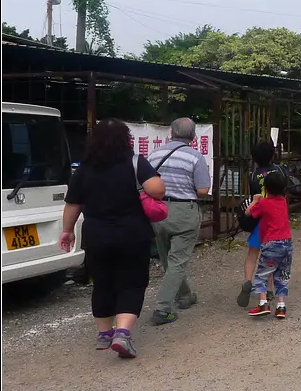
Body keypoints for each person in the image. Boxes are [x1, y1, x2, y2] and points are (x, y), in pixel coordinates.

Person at [60, 118, 166, 358]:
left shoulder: (84, 169)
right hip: (132, 234)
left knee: (102, 283)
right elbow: (158, 190)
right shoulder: (135, 163)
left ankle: (105, 334)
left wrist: (66, 232)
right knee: (132, 282)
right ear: (125, 139)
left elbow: (72, 205)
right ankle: (123, 334)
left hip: (97, 236)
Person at [147, 117, 211, 326]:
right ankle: (162, 309)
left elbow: (145, 183)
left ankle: (184, 297)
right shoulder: (195, 157)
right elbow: (202, 191)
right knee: (177, 262)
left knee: (168, 260)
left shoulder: (154, 154)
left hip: (158, 211)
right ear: (193, 137)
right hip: (184, 212)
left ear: (171, 133)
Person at [237, 140, 282, 308]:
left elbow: (254, 196)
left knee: (252, 254)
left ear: (254, 158)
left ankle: (248, 281)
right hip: (274, 220)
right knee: (270, 256)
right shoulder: (279, 171)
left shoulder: (253, 175)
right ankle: (269, 290)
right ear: (272, 155)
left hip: (259, 219)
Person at [245, 171, 293, 319]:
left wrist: (254, 200)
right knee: (282, 274)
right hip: (287, 243)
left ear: (265, 188)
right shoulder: (283, 201)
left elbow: (248, 213)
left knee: (262, 274)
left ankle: (263, 303)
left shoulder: (263, 203)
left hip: (271, 244)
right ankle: (281, 306)